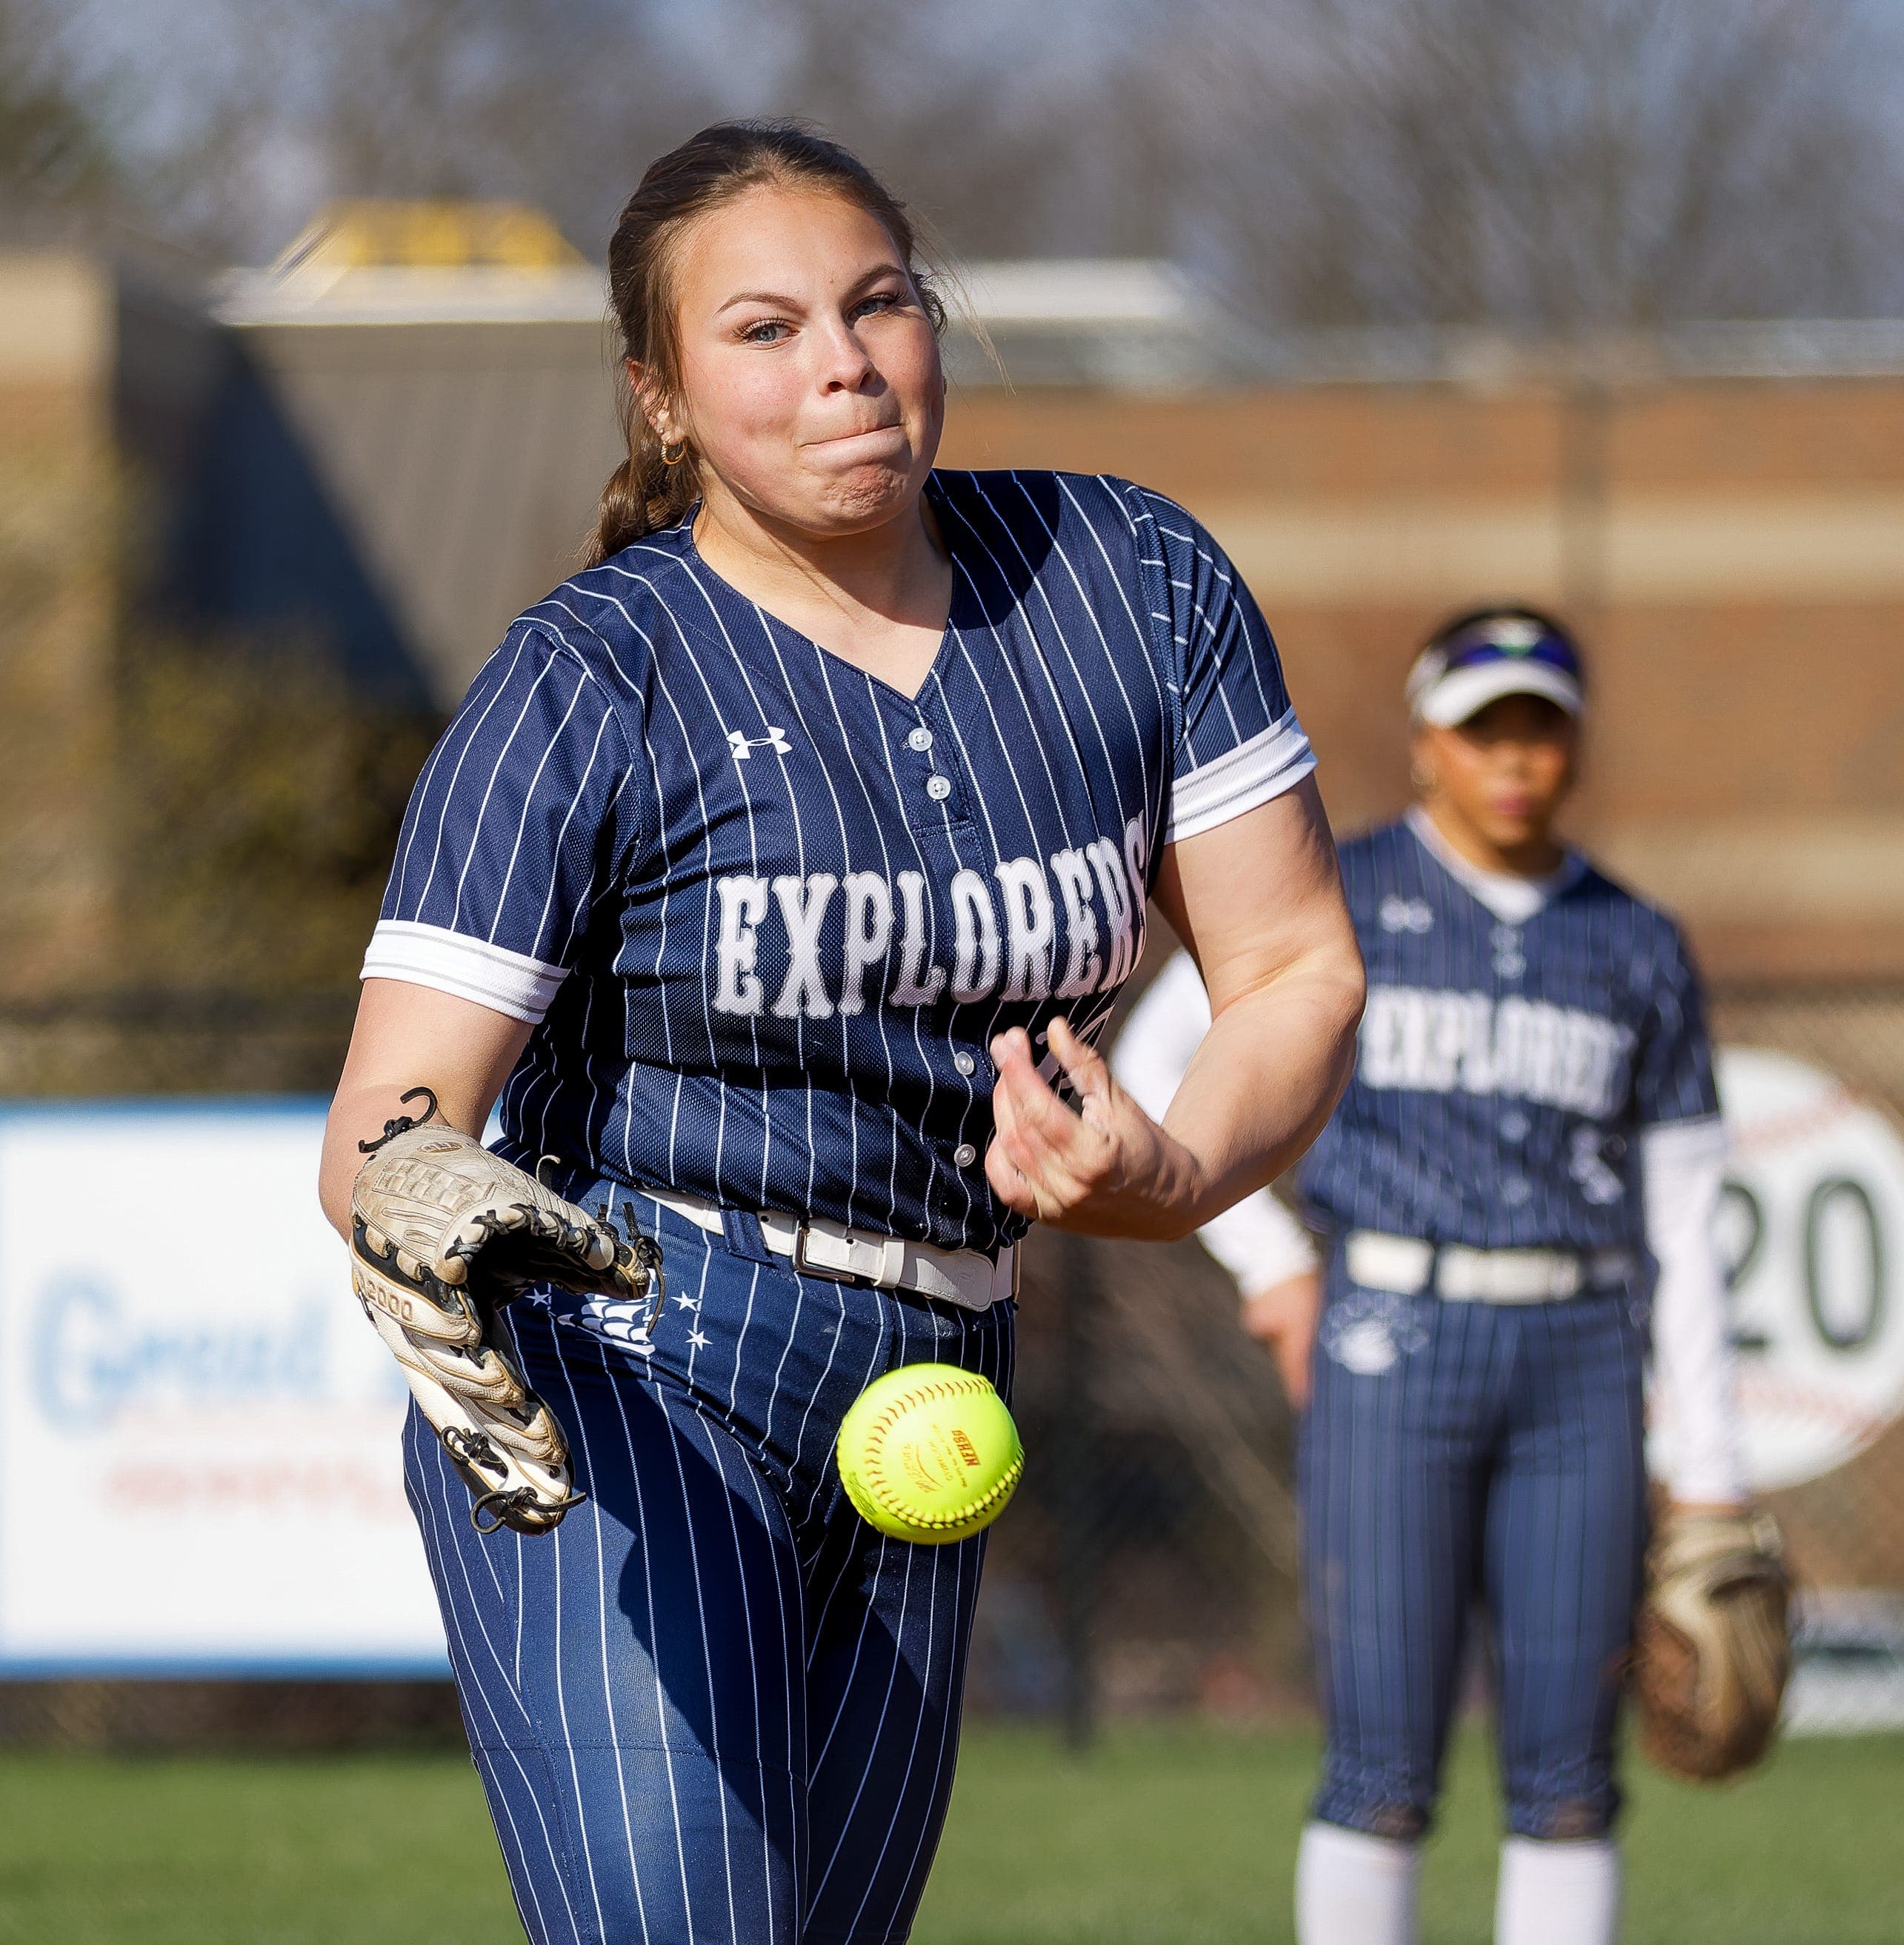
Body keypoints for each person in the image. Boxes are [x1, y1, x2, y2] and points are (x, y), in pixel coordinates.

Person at [317, 121, 1363, 1945]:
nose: (842, 363)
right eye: (765, 329)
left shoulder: (1133, 579)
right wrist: (416, 1188)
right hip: (623, 1353)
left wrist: (1171, 1167)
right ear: (659, 398)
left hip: (932, 1375)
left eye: (879, 303)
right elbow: (385, 1122)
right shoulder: (590, 673)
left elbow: (1292, 973)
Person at [1114, 606, 1750, 1945]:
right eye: (1483, 729)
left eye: (1539, 728)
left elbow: (1687, 1223)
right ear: (1425, 746)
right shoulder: (1342, 895)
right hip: (1389, 1333)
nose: (1512, 757)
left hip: (1579, 1354)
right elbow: (1153, 1060)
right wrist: (1273, 1265)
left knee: (1569, 1780)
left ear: (1571, 748)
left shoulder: (1635, 943)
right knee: (1382, 1767)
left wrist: (1713, 1463)